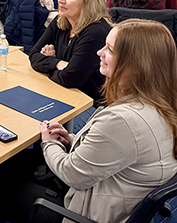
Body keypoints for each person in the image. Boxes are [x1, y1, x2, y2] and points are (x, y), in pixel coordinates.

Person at [40, 19, 177, 223]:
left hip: (91, 213)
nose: (99, 52)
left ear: (137, 64)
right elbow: (121, 149)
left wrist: (48, 142)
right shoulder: (162, 103)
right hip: (118, 201)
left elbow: (72, 174)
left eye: (110, 50)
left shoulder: (124, 120)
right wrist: (71, 139)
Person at [29, 0, 111, 107]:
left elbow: (71, 78)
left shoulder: (96, 31)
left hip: (88, 105)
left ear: (87, 2)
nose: (61, 0)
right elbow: (33, 55)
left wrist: (47, 63)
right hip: (60, 93)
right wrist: (59, 63)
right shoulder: (60, 21)